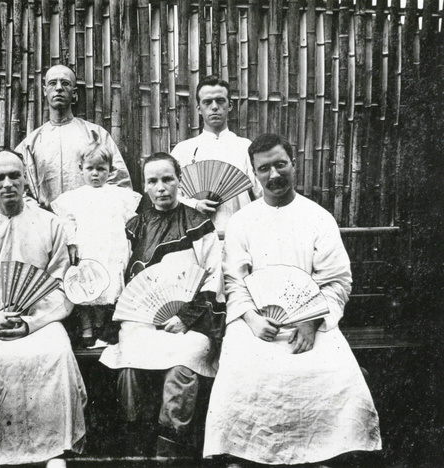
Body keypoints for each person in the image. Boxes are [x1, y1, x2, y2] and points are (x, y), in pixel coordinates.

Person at [203, 134, 382, 465]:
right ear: (255, 173)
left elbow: (337, 280)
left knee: (333, 373)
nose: (274, 176)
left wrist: (312, 321)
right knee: (242, 373)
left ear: (294, 164)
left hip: (313, 323)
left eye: (280, 165)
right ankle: (245, 455)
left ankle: (327, 454)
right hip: (257, 323)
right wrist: (252, 319)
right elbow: (234, 280)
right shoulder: (243, 221)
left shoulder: (318, 218)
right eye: (264, 169)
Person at [0, 150, 87, 468]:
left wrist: (31, 323)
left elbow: (62, 285)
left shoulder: (51, 225)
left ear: (25, 179)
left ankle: (54, 451)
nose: (7, 183)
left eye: (14, 175)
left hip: (40, 319)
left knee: (57, 355)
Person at [99, 152, 225, 457]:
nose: (161, 187)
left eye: (168, 179)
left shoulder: (199, 224)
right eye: (153, 181)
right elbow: (126, 281)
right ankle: (137, 446)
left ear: (179, 180)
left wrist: (186, 316)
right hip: (143, 321)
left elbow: (213, 278)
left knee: (183, 365)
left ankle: (168, 450)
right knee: (129, 362)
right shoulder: (134, 227)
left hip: (191, 320)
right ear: (144, 186)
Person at [51, 138, 141, 347]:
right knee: (84, 290)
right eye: (90, 168)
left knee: (105, 290)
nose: (95, 174)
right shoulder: (74, 197)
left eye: (101, 169)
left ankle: (100, 326)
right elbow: (68, 222)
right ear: (81, 169)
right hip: (87, 250)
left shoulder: (119, 196)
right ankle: (86, 329)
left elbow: (130, 223)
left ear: (110, 171)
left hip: (110, 249)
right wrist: (72, 243)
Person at [15, 64, 132, 210]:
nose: (58, 88)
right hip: (47, 225)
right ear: (45, 91)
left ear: (74, 92)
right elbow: (19, 189)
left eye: (65, 83)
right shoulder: (29, 144)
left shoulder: (96, 135)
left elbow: (119, 182)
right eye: (52, 83)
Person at [171, 75, 262, 234]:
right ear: (199, 109)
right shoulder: (183, 150)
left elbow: (261, 194)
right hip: (195, 236)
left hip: (239, 235)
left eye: (220, 101)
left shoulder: (245, 146)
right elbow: (170, 195)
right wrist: (194, 205)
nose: (214, 107)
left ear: (230, 105)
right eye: (207, 102)